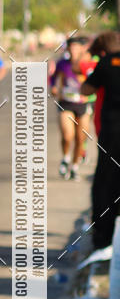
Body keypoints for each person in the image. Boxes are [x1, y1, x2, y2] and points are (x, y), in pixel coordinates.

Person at [81, 32, 120, 258]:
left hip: (112, 132)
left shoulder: (106, 63)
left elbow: (85, 89)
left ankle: (103, 238)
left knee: (106, 183)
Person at [50, 35, 93, 179]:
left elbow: (95, 80)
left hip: (82, 104)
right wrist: (53, 88)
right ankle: (66, 158)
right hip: (66, 103)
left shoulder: (87, 64)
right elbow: (53, 77)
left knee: (81, 139)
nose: (73, 50)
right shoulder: (62, 63)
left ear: (81, 49)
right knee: (67, 135)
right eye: (71, 47)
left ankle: (74, 166)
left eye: (76, 47)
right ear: (68, 49)